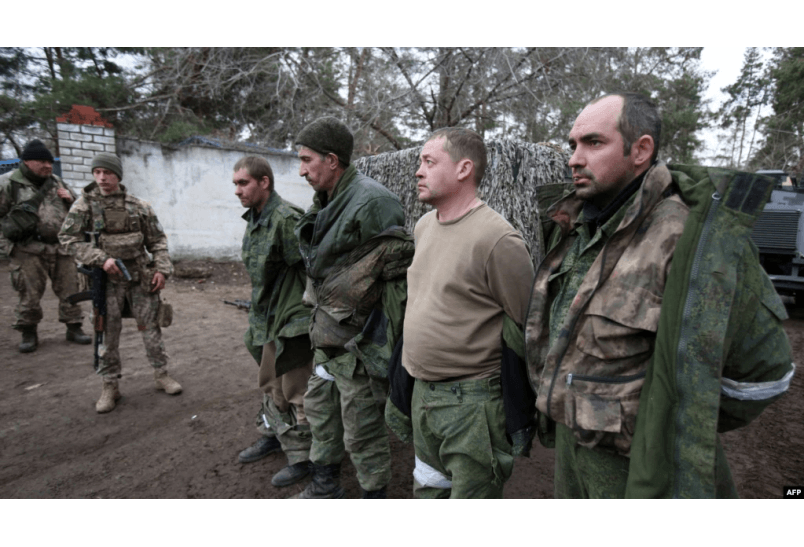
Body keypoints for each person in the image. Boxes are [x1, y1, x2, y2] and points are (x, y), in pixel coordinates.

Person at [524, 92, 796, 498]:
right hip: (571, 453)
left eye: (593, 143)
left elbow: (765, 373)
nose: (574, 159)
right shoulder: (580, 227)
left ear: (641, 150)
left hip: (640, 473)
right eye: (573, 145)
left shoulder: (690, 240)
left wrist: (674, 423)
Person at [398, 128, 534, 498]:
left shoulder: (497, 239)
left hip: (472, 406)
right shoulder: (424, 227)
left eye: (429, 162)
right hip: (422, 395)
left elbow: (526, 322)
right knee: (429, 490)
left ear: (463, 169)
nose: (418, 171)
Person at [292, 117, 413, 499]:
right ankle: (325, 484)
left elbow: (394, 283)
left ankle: (373, 495)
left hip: (359, 342)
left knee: (362, 427)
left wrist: (378, 346)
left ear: (331, 160)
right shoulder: (327, 199)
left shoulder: (374, 202)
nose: (301, 170)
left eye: (307, 160)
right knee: (320, 409)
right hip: (326, 332)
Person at [59, 153, 182, 413]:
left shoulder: (139, 206)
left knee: (151, 328)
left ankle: (161, 375)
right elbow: (68, 240)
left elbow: (158, 241)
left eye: (108, 172)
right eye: (97, 172)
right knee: (107, 332)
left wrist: (161, 269)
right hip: (107, 282)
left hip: (140, 277)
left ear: (118, 175)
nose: (102, 178)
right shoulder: (84, 206)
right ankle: (109, 385)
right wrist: (100, 259)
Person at [232, 156, 315, 488]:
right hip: (266, 316)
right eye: (235, 184)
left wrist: (304, 315)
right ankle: (274, 436)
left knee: (297, 391)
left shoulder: (285, 219)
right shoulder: (256, 218)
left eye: (243, 183)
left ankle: (305, 457)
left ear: (264, 182)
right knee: (270, 384)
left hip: (291, 319)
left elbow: (314, 269)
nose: (237, 191)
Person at [0, 139, 92, 352]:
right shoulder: (9, 183)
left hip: (61, 247)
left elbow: (81, 210)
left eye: (49, 162)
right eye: (41, 161)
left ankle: (74, 327)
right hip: (28, 250)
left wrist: (70, 199)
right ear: (26, 162)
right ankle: (29, 331)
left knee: (70, 288)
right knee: (29, 293)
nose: (47, 166)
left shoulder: (57, 182)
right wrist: (8, 246)